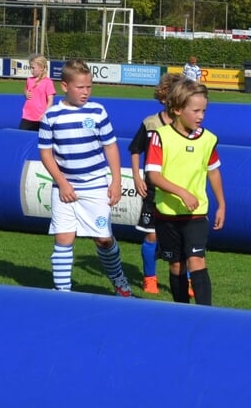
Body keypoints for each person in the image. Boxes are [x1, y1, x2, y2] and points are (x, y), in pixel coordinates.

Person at [38, 59, 134, 296]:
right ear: (64, 87)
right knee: (63, 239)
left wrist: (116, 181)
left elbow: (110, 147)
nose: (85, 92)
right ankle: (63, 294)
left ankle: (119, 280)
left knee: (103, 240)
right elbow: (46, 153)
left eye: (89, 87)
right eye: (80, 87)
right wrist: (62, 183)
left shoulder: (98, 111)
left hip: (94, 187)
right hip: (64, 189)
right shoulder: (51, 116)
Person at [146, 78, 226, 305]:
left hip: (196, 214)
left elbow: (214, 172)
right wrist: (182, 192)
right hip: (167, 215)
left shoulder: (208, 139)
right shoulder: (160, 137)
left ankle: (205, 313)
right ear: (178, 109)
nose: (201, 116)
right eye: (196, 111)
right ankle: (183, 312)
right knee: (176, 265)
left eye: (204, 111)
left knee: (196, 261)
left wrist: (221, 204)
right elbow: (153, 175)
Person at [129, 72, 183, 295]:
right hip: (153, 190)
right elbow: (135, 150)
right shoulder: (150, 123)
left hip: (178, 190)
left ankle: (185, 278)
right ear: (165, 99)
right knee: (152, 235)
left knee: (181, 237)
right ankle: (149, 278)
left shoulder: (185, 125)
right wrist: (136, 176)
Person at [18, 54, 55, 130]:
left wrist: (45, 114)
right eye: (30, 67)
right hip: (27, 116)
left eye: (33, 68)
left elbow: (50, 101)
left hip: (40, 117)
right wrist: (26, 93)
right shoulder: (29, 80)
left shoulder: (48, 82)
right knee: (22, 136)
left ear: (41, 67)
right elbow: (25, 91)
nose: (31, 70)